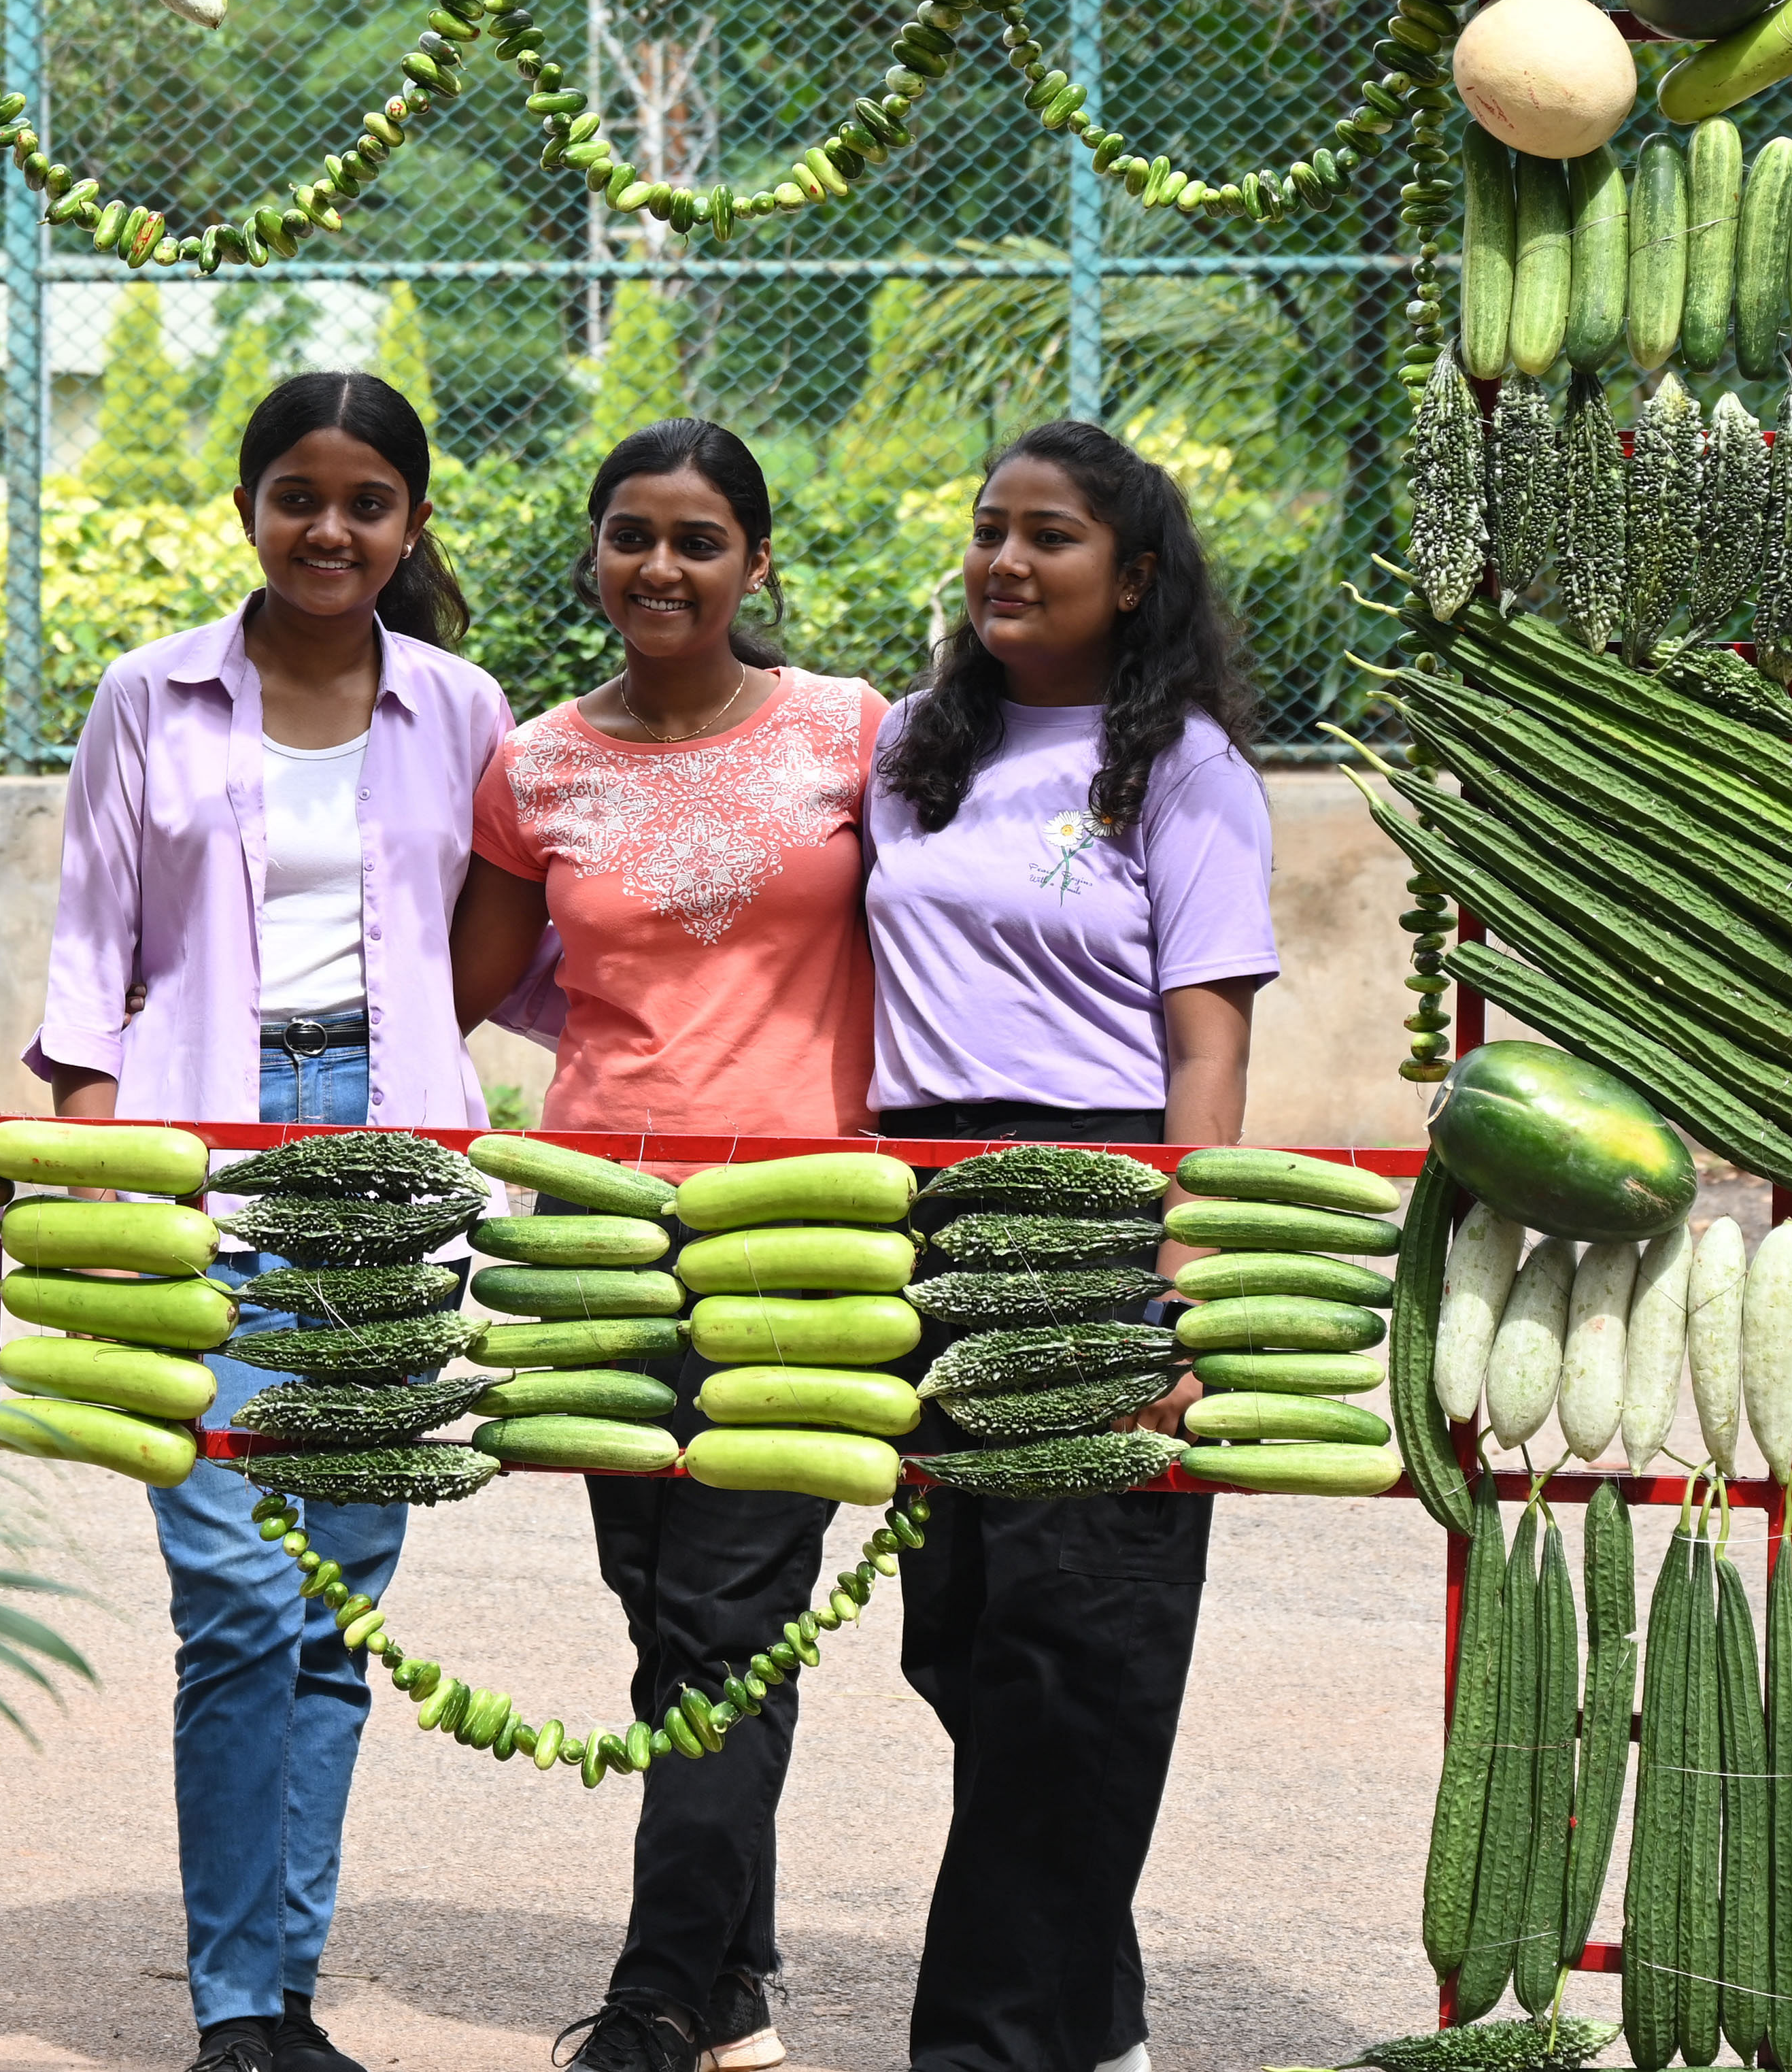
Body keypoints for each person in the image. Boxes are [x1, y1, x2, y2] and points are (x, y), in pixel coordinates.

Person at [25, 371, 509, 2072]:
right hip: (198, 1158)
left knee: (341, 1604)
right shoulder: (147, 694)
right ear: (248, 508)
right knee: (234, 1588)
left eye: (368, 502)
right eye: (299, 495)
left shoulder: (462, 707)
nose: (331, 529)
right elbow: (91, 961)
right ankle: (237, 2000)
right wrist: (96, 1187)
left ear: (410, 524)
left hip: (391, 1168)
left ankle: (279, 1997)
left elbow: (502, 943)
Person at [450, 419, 887, 2072]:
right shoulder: (540, 762)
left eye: (699, 540)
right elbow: (478, 979)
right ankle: (737, 1970)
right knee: (665, 1615)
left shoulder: (852, 733)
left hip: (805, 1230)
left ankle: (654, 1998)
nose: (661, 567)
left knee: (723, 1611)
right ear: (596, 552)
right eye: (631, 534)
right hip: (597, 1236)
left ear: (755, 565)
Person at [862, 421, 1277, 2072]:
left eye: (1052, 537)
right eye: (989, 531)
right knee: (958, 1627)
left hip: (1099, 1207)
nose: (1008, 563)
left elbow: (1210, 1051)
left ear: (1138, 576)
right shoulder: (911, 748)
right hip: (919, 1202)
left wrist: (1183, 1291)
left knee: (1076, 1627)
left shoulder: (1180, 764)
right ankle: (1094, 2018)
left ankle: (990, 2044)